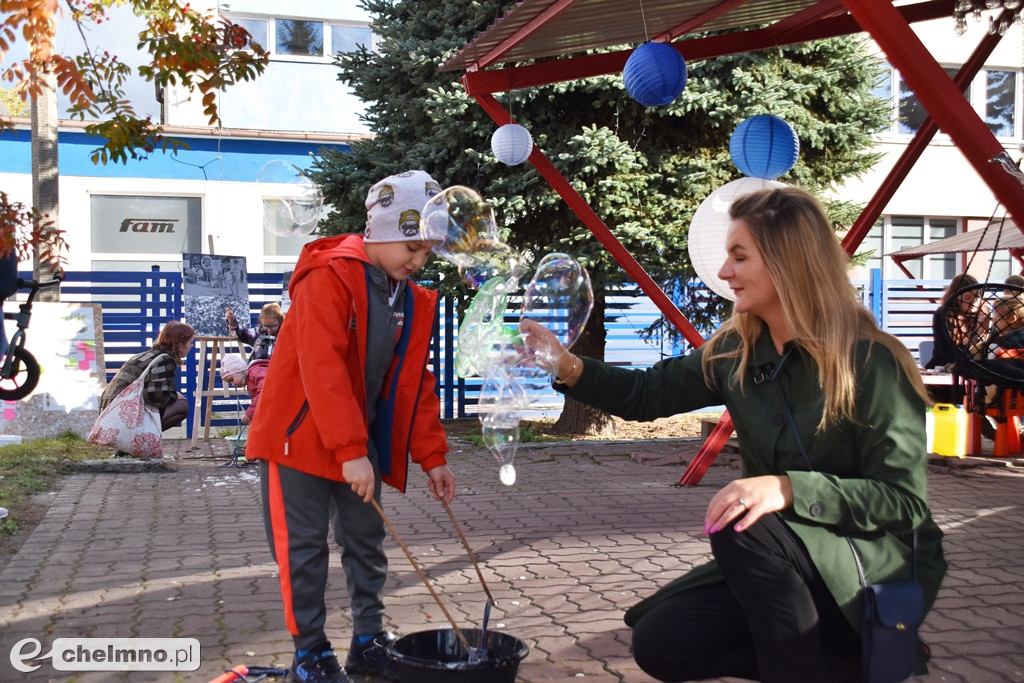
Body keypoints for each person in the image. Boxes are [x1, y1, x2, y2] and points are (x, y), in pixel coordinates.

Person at [521, 186, 947, 682]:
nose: (724, 272)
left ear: (789, 261)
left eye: (738, 256)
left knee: (743, 519)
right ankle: (851, 661)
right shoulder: (736, 349)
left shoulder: (872, 363)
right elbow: (647, 395)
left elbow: (903, 502)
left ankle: (820, 660)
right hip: (787, 561)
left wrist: (786, 488)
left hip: (871, 564)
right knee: (663, 642)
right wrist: (568, 365)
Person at [246, 169, 455, 683]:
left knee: (366, 541)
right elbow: (323, 365)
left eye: (426, 251)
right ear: (383, 231)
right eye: (412, 245)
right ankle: (310, 654)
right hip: (297, 440)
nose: (419, 260)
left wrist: (433, 457)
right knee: (304, 549)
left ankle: (367, 640)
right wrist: (348, 449)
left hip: (353, 443)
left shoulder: (404, 295)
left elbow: (411, 380)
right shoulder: (329, 275)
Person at [99, 321, 195, 437]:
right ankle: (136, 441)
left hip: (108, 414)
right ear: (180, 345)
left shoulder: (144, 355)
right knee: (182, 406)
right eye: (190, 342)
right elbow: (155, 396)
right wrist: (174, 396)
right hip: (121, 419)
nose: (191, 346)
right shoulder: (165, 360)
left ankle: (130, 443)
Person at [925, 272, 980, 371]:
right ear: (956, 298)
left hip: (971, 370)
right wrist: (974, 338)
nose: (974, 301)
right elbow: (947, 354)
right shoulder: (942, 316)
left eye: (977, 297)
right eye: (968, 298)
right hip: (943, 368)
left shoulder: (981, 316)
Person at [219, 352, 268, 425]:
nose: (233, 384)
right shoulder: (251, 377)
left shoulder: (256, 371)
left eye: (231, 379)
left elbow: (265, 391)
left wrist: (250, 412)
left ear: (239, 370)